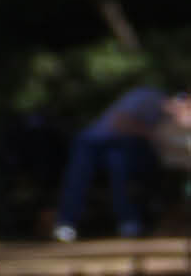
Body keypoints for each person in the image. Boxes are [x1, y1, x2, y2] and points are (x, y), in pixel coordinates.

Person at [54, 83, 188, 241]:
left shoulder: (166, 118)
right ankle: (66, 224)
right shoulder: (148, 96)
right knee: (78, 179)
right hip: (92, 142)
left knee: (122, 177)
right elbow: (120, 122)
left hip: (120, 148)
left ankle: (129, 223)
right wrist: (151, 134)